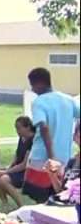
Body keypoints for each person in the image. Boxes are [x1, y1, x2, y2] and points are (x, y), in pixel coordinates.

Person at [24, 67, 81, 201]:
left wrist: (51, 156)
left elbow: (43, 127)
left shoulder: (39, 102)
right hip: (64, 157)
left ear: (39, 83)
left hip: (42, 157)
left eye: (32, 85)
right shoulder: (68, 99)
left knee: (39, 196)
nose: (32, 89)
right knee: (58, 194)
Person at [0, 116, 36, 209]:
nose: (17, 131)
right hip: (17, 168)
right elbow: (17, 155)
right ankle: (5, 203)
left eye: (19, 128)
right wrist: (10, 166)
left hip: (27, 171)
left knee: (3, 179)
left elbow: (24, 165)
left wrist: (7, 172)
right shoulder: (22, 138)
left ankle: (21, 206)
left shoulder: (33, 140)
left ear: (27, 127)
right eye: (16, 128)